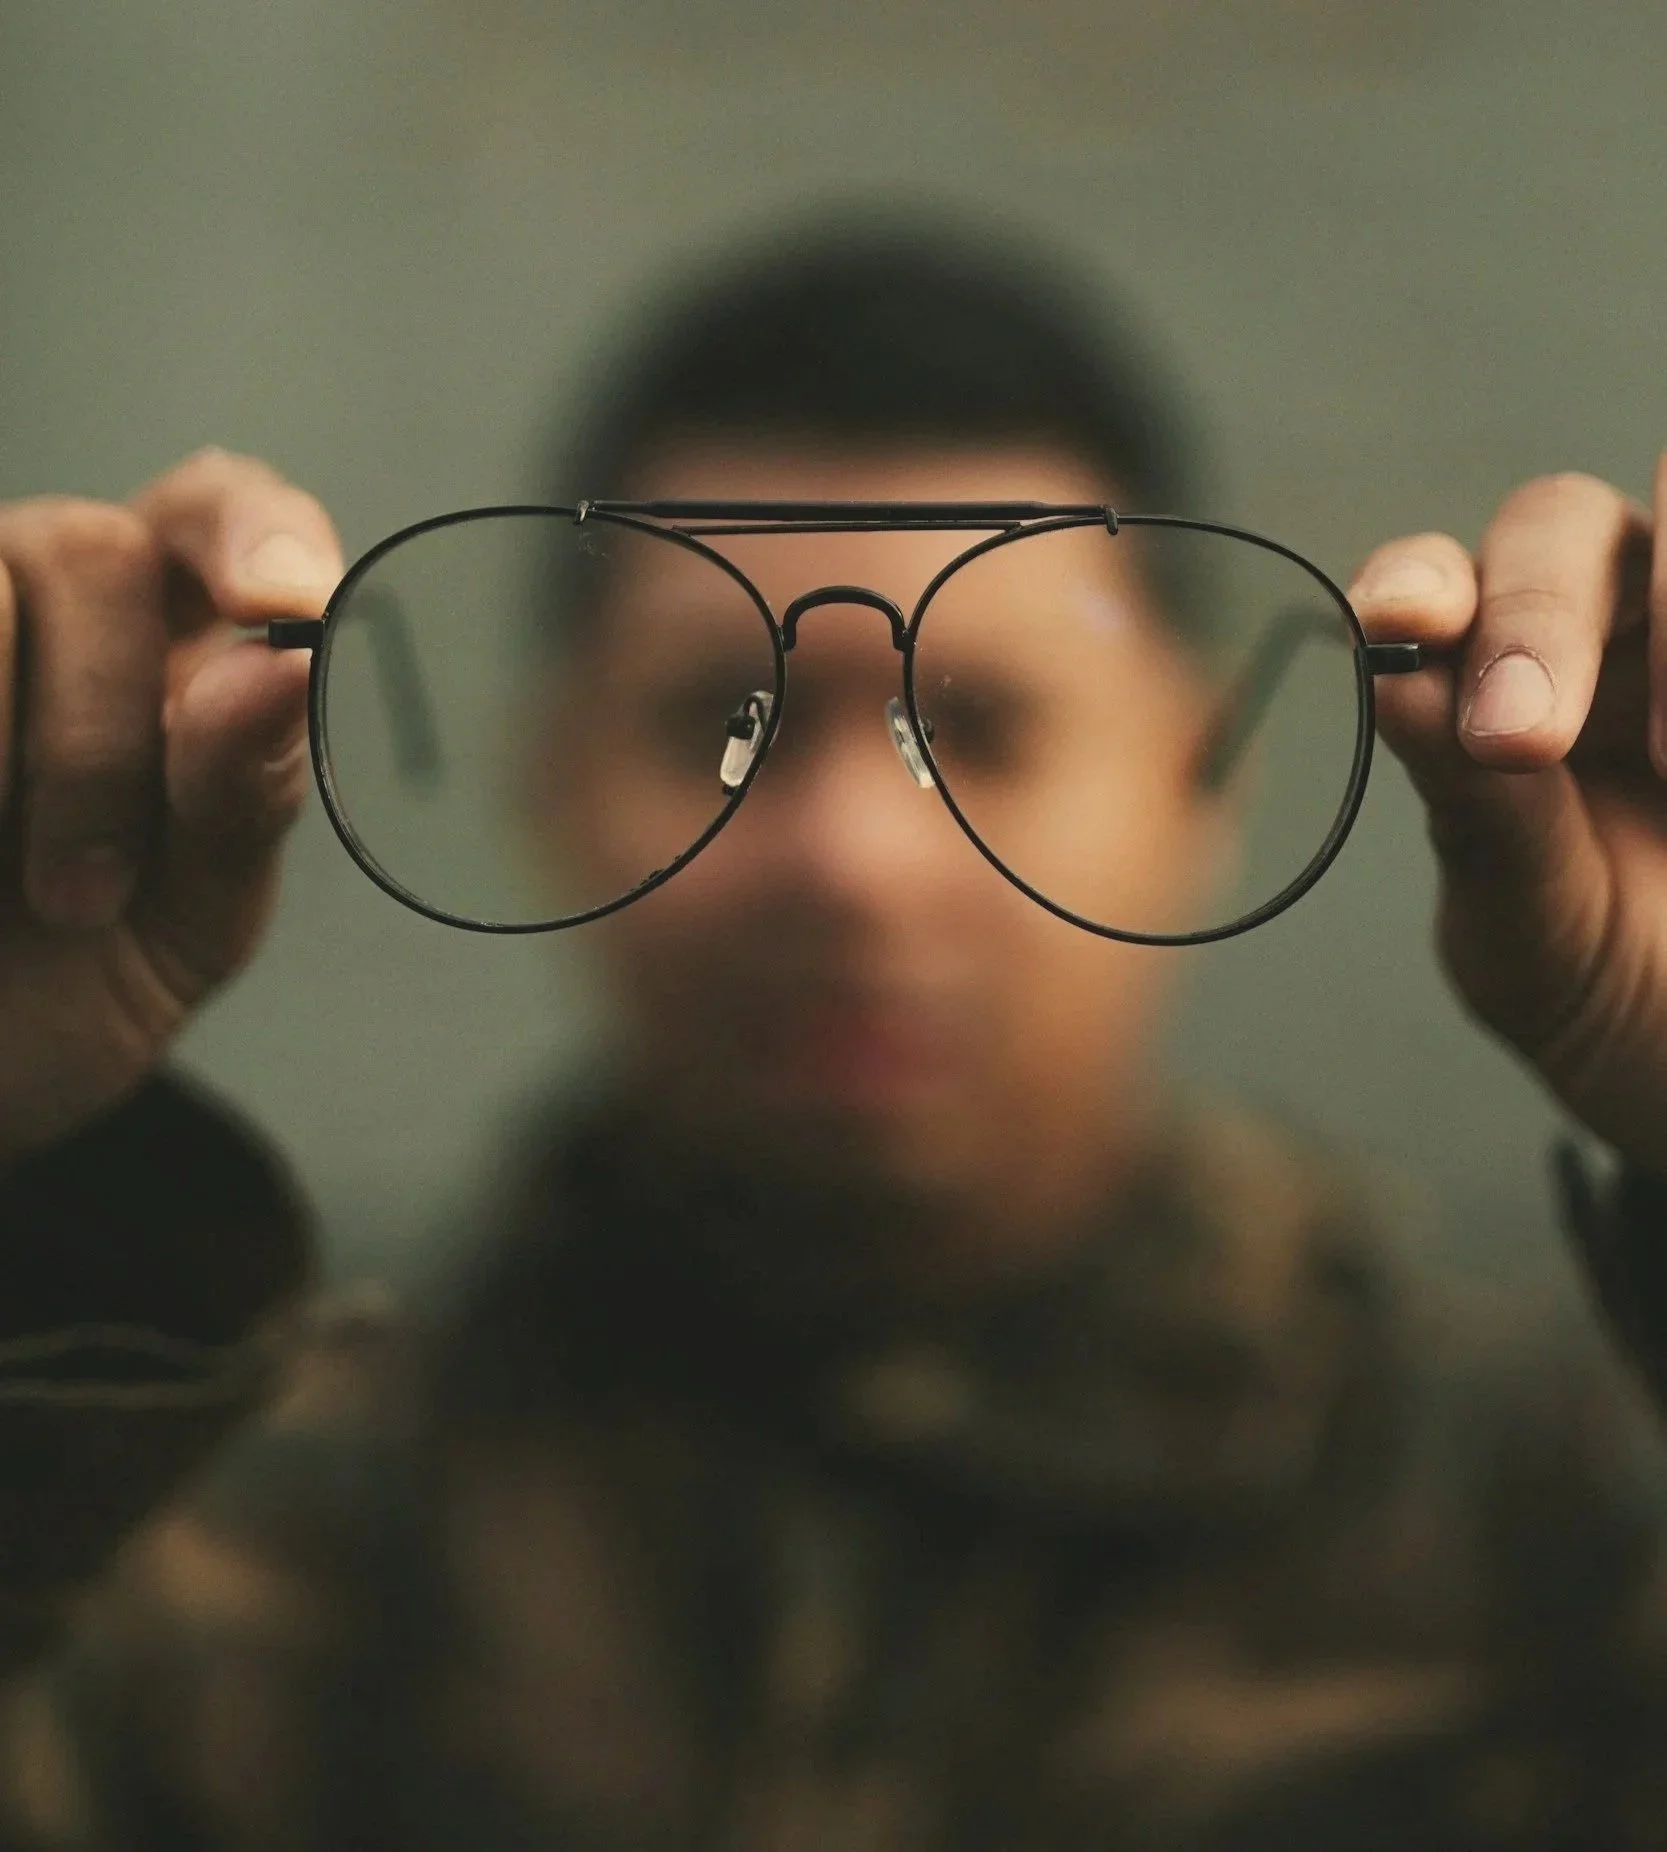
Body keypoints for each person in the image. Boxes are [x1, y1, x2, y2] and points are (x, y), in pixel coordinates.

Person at [3, 216, 1667, 1852]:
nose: (853, 865)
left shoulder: (1556, 1506)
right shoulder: (184, 1526)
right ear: (547, 779)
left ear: (1199, 777)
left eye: (983, 726)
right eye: (720, 719)